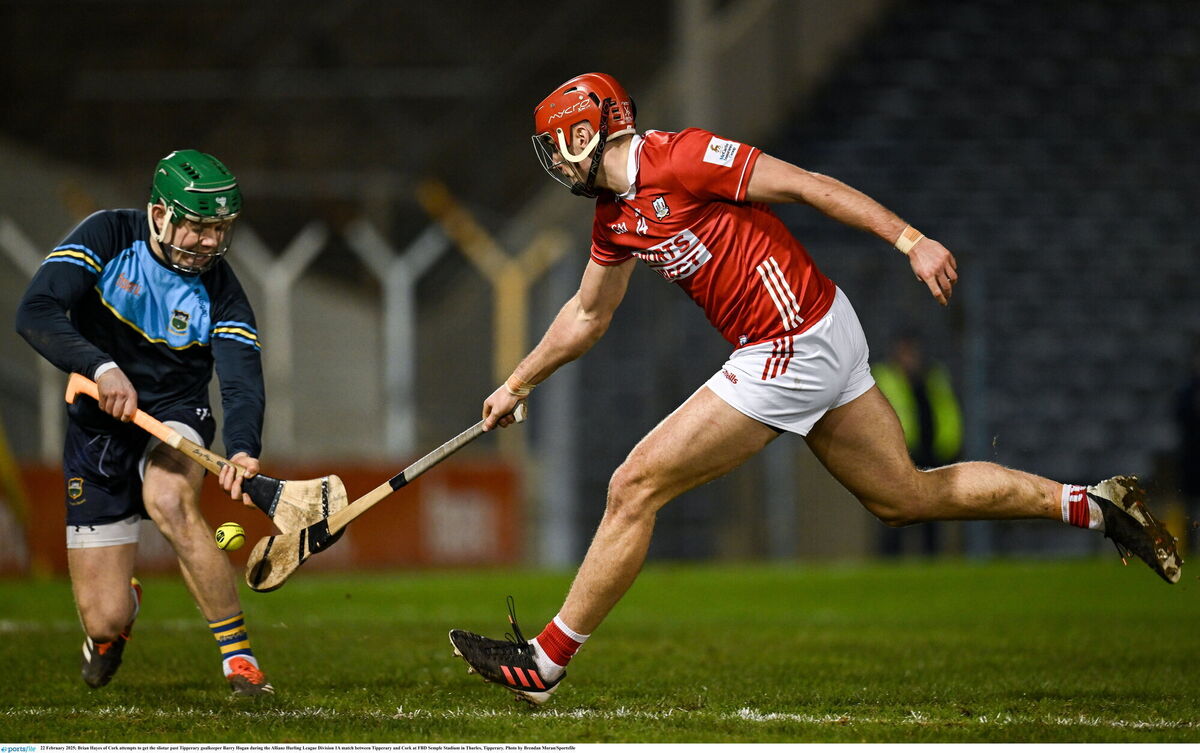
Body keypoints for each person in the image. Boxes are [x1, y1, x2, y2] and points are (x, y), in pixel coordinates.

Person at [447, 73, 1182, 706]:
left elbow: (808, 185)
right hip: (813, 332)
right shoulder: (616, 217)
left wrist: (909, 239)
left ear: (583, 133)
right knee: (905, 497)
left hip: (793, 338)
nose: (553, 161)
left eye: (556, 144)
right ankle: (1095, 505)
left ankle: (545, 661)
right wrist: (516, 382)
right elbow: (586, 314)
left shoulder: (685, 156)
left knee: (633, 483)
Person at [15, 150, 273, 696]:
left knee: (170, 499)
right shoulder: (108, 236)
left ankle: (239, 659)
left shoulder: (222, 289)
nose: (210, 243)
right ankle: (121, 612)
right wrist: (101, 367)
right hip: (96, 431)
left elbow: (241, 380)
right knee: (102, 619)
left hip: (177, 413)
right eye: (199, 227)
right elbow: (34, 310)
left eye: (220, 229)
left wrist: (244, 448)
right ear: (159, 212)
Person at [872, 332, 963, 556]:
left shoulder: (933, 377)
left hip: (932, 456)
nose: (909, 358)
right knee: (895, 512)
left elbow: (947, 413)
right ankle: (890, 563)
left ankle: (930, 560)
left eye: (912, 352)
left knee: (930, 513)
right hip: (897, 456)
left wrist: (949, 446)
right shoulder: (885, 377)